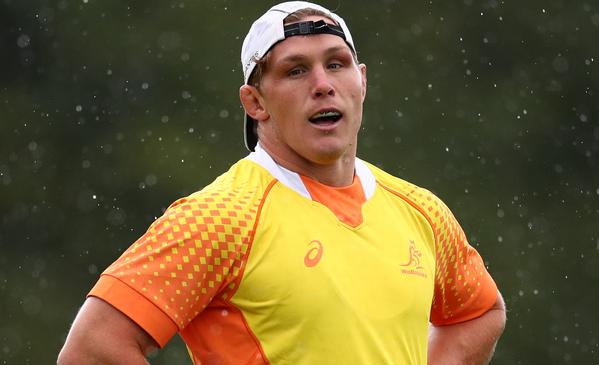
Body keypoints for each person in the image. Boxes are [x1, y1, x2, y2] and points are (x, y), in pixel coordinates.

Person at [58, 1, 506, 364]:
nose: (322, 84)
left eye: (336, 64)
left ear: (362, 81)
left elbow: (479, 312)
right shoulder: (219, 217)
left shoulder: (420, 210)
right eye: (295, 71)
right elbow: (93, 350)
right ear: (254, 102)